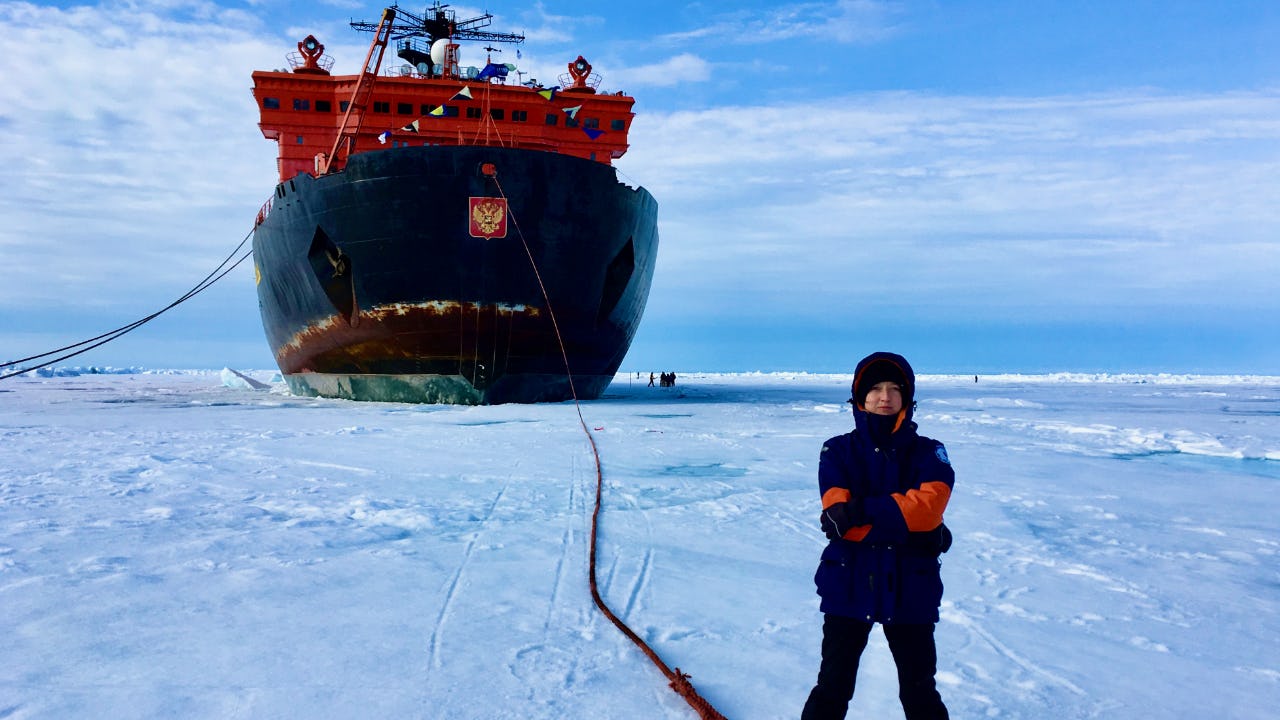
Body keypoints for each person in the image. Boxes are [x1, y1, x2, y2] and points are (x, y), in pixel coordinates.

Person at [802, 351, 954, 720]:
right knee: (832, 688)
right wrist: (911, 526)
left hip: (911, 589)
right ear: (859, 397)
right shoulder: (836, 450)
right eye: (874, 389)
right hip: (848, 584)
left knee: (920, 694)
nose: (884, 397)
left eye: (893, 389)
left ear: (907, 397)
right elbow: (838, 518)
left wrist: (863, 511)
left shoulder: (930, 452)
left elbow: (930, 507)